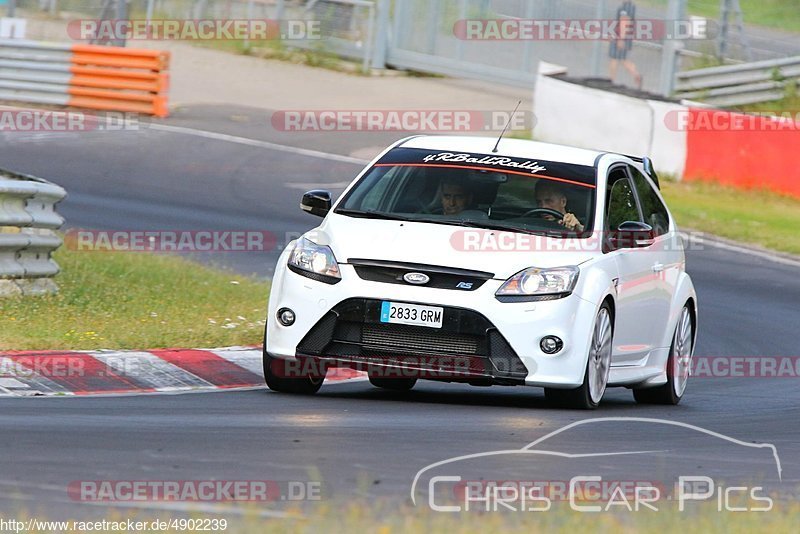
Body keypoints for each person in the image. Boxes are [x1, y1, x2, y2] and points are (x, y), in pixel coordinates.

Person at [609, 1, 643, 90]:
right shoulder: (630, 7)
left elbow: (624, 22)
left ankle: (611, 81)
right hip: (623, 38)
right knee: (623, 60)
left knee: (615, 59)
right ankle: (637, 75)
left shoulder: (626, 8)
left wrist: (621, 38)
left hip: (621, 38)